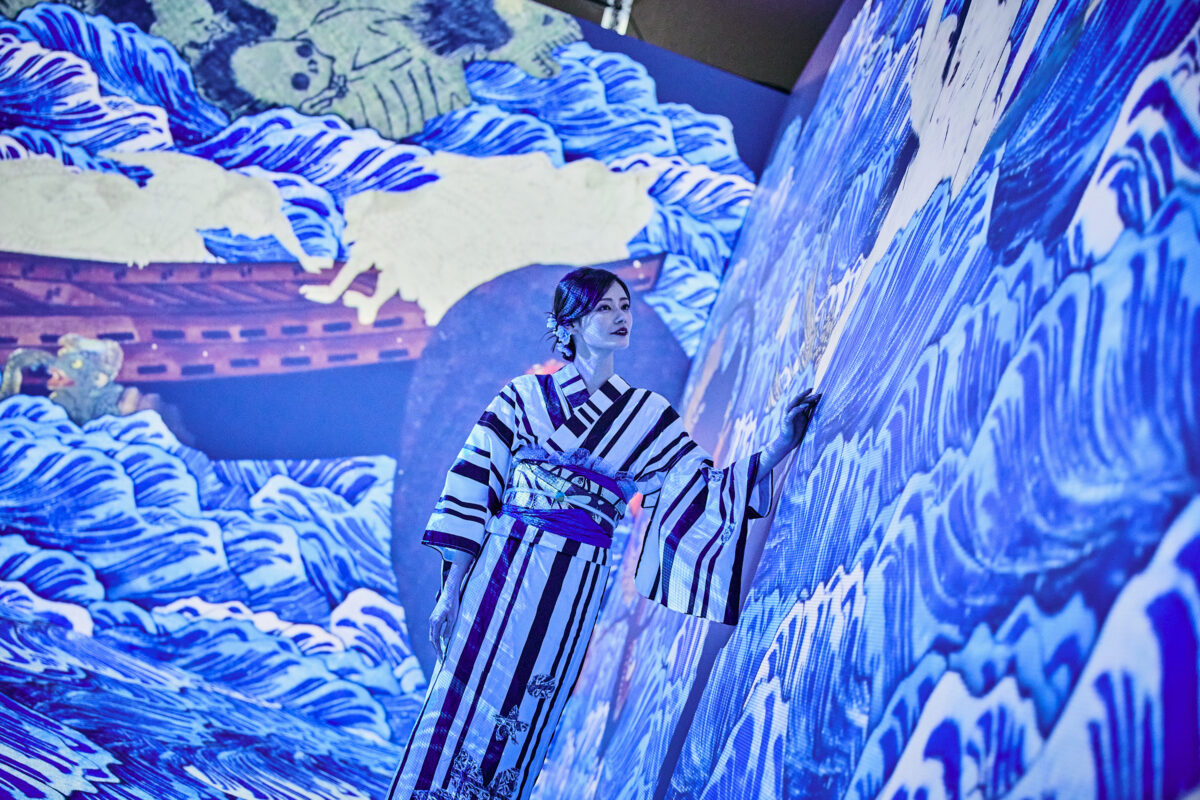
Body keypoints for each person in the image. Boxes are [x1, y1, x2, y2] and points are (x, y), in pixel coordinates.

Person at [386, 267, 820, 800]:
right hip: (501, 569)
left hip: (575, 582)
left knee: (528, 712)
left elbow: (702, 490)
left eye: (624, 306)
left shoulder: (648, 416)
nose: (620, 317)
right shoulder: (521, 397)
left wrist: (779, 446)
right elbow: (472, 487)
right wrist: (450, 591)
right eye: (604, 308)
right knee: (461, 694)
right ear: (568, 324)